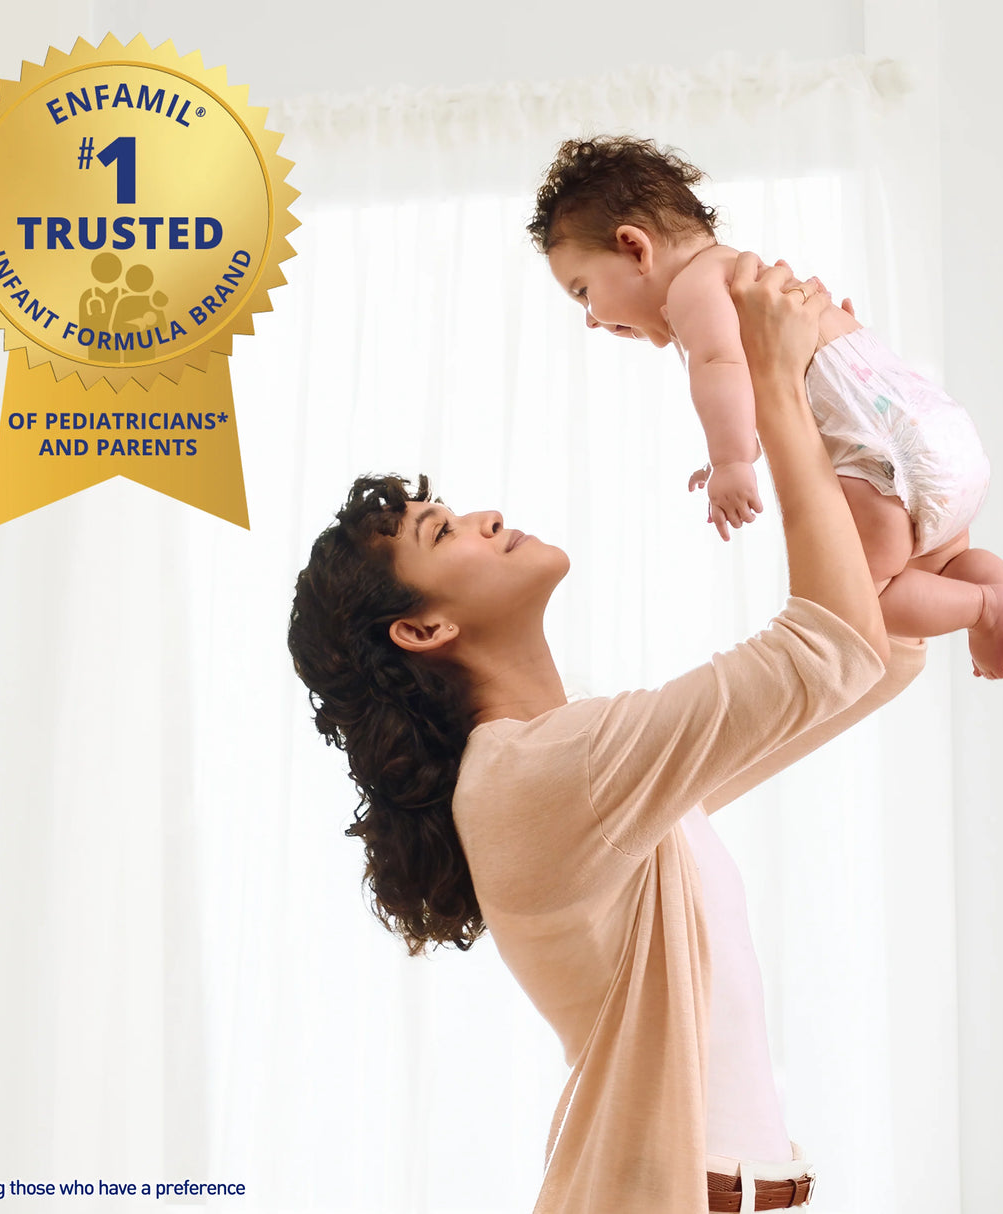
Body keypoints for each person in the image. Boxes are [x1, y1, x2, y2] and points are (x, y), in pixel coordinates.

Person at [288, 256, 923, 1213]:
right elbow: (828, 650)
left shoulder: (580, 758)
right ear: (422, 631)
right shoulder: (537, 777)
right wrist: (781, 395)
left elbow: (865, 656)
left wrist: (875, 435)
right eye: (445, 530)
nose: (486, 514)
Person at [530, 136, 1003, 694]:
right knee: (947, 559)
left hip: (882, 459)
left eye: (584, 291)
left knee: (862, 596)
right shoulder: (749, 275)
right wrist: (724, 453)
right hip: (941, 434)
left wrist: (732, 459)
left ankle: (986, 609)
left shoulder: (694, 287)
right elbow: (755, 384)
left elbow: (717, 366)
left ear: (635, 247)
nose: (591, 319)